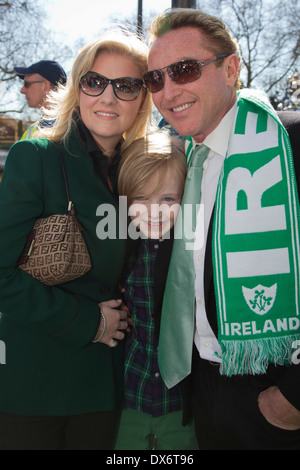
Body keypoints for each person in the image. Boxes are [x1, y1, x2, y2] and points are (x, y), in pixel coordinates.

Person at [144, 8, 300, 450]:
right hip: (204, 392)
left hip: (276, 398)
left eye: (184, 70)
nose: (168, 91)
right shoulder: (179, 163)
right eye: (155, 79)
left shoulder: (289, 144)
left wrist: (291, 398)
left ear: (231, 68)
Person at [0, 29, 152, 450]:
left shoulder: (146, 171)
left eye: (126, 86)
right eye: (94, 81)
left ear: (143, 98)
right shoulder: (36, 158)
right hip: (36, 388)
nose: (107, 97)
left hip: (108, 385)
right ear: (78, 88)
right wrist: (90, 322)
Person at [114, 130, 197, 450]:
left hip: (181, 406)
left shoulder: (192, 252)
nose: (154, 211)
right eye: (141, 199)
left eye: (167, 199)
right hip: (127, 399)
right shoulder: (120, 252)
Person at [14, 60, 67, 139]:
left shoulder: (76, 130)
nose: (22, 90)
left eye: (27, 84)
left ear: (45, 86)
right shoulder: (31, 131)